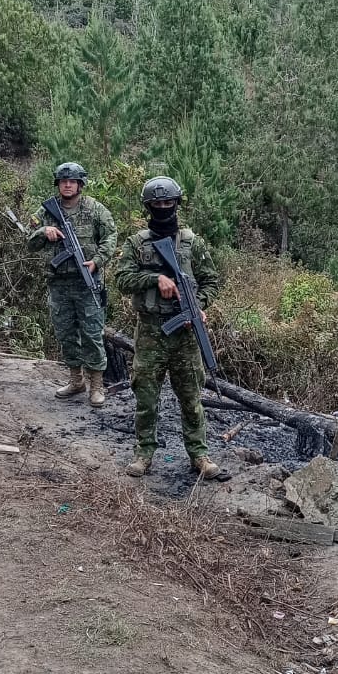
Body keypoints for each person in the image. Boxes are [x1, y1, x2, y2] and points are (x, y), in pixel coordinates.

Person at [115, 176, 221, 479]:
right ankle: (144, 452)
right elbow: (122, 280)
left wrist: (199, 305)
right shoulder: (136, 243)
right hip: (151, 331)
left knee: (191, 397)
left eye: (168, 202)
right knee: (146, 397)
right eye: (157, 203)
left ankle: (199, 454)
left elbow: (212, 281)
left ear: (177, 203)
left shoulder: (192, 242)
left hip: (185, 334)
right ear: (148, 206)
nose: (163, 207)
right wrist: (154, 279)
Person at [27, 162, 117, 407]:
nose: (67, 185)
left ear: (80, 184)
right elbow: (30, 241)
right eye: (63, 181)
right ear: (58, 183)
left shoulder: (95, 209)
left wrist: (97, 262)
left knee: (92, 334)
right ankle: (76, 380)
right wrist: (44, 231)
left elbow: (111, 237)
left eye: (72, 181)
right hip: (59, 283)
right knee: (66, 333)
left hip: (87, 283)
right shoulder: (47, 210)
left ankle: (96, 386)